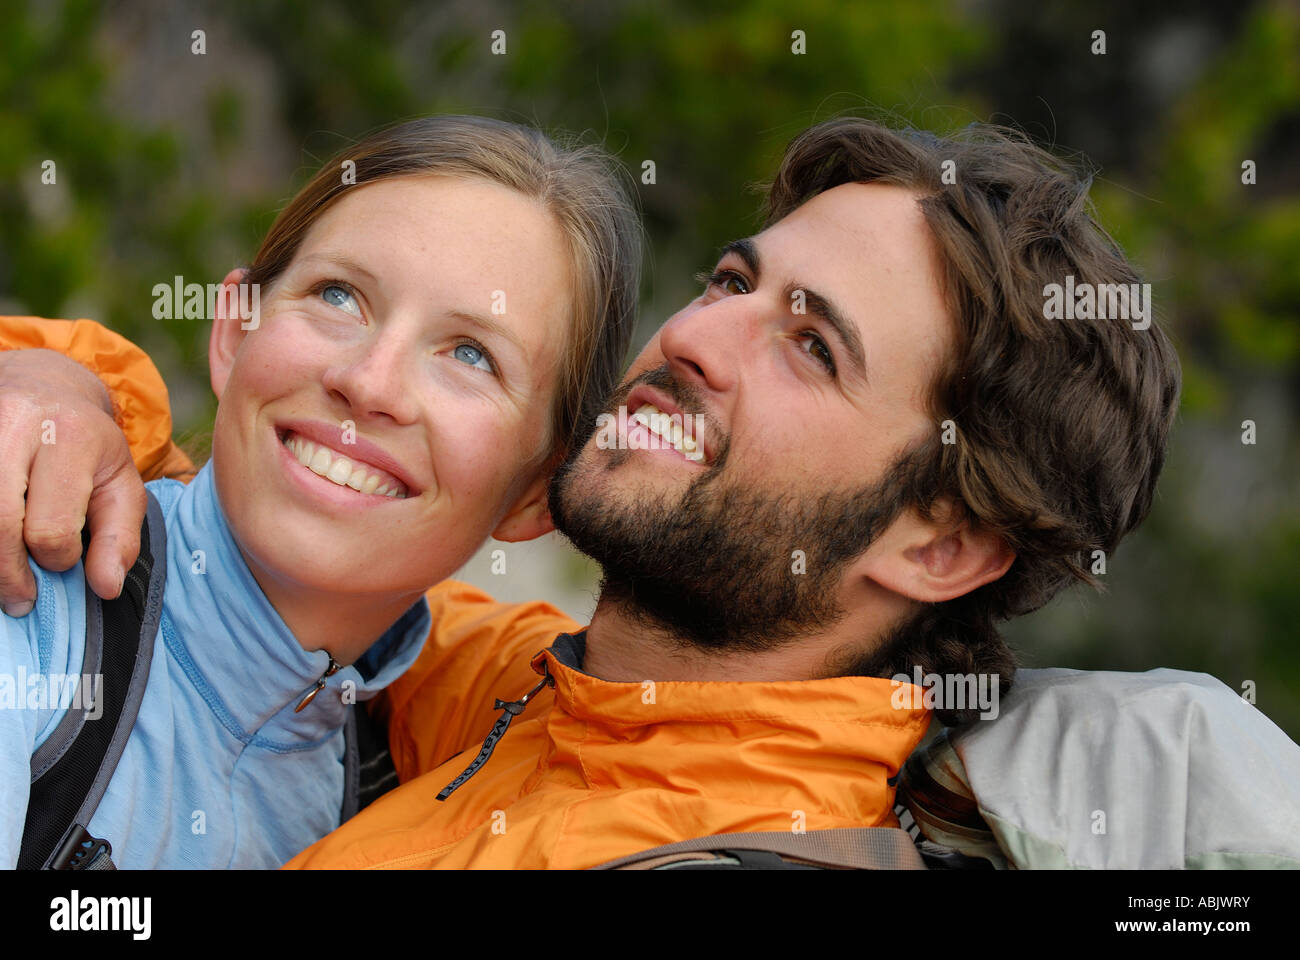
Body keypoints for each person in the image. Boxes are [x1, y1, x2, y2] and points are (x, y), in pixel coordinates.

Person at [5, 117, 1216, 869]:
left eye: (811, 346)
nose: (696, 334)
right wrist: (58, 383)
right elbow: (267, 544)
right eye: (736, 279)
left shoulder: (730, 840)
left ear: (938, 550)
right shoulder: (519, 689)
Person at [0, 114, 641, 868]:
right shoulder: (32, 598)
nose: (370, 384)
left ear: (537, 493)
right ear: (236, 333)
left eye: (470, 354)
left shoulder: (410, 786)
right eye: (339, 297)